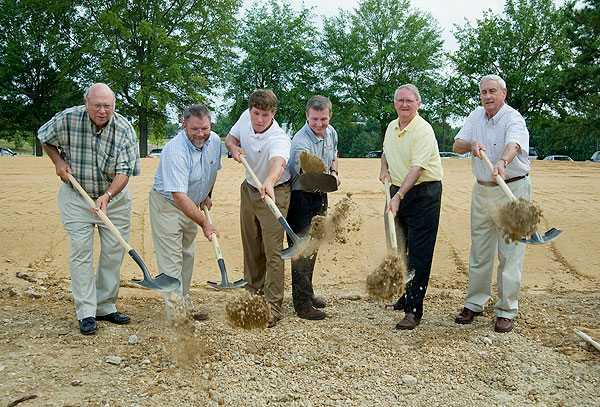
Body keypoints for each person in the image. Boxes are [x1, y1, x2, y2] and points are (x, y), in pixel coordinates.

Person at [37, 83, 140, 335]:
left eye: (108, 106)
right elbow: (43, 136)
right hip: (77, 197)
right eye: (97, 106)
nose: (103, 111)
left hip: (113, 199)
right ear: (86, 103)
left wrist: (107, 196)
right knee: (81, 251)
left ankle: (104, 305)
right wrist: (58, 161)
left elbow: (124, 171)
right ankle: (85, 311)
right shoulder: (68, 118)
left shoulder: (124, 128)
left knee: (113, 251)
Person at [452, 74, 531, 333]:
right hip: (482, 190)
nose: (487, 96)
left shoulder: (513, 118)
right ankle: (474, 303)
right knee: (480, 251)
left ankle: (506, 310)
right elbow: (456, 145)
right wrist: (471, 144)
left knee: (510, 253)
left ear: (503, 93)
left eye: (492, 92)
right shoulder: (475, 116)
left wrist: (502, 162)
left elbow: (514, 143)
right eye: (484, 92)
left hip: (512, 189)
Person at [379, 84, 443, 330]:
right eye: (400, 100)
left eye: (409, 101)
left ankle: (414, 311)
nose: (404, 105)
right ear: (395, 103)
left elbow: (417, 169)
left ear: (418, 103)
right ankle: (405, 297)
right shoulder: (392, 126)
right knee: (398, 247)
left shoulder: (423, 130)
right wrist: (384, 169)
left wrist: (398, 196)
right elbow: (386, 151)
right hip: (397, 190)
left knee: (418, 253)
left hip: (423, 193)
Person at [225, 89, 291, 328]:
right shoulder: (245, 117)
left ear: (273, 114)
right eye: (256, 113)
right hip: (249, 189)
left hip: (274, 191)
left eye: (265, 114)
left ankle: (273, 306)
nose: (259, 119)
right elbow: (230, 139)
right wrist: (234, 149)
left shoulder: (279, 138)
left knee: (272, 251)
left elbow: (278, 163)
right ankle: (253, 294)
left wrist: (270, 181)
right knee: (251, 245)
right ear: (250, 109)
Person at [149, 104, 221, 321]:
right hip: (168, 205)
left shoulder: (215, 141)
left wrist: (208, 194)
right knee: (172, 261)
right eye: (194, 129)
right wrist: (205, 224)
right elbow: (179, 196)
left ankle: (185, 302)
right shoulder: (175, 150)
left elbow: (212, 170)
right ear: (184, 126)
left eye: (205, 129)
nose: (201, 134)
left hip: (192, 204)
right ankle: (177, 316)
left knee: (187, 255)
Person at [286, 95, 340, 321]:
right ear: (307, 116)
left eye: (323, 119)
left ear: (329, 116)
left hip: (321, 196)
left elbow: (334, 156)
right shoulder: (300, 141)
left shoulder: (332, 133)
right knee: (301, 250)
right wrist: (328, 180)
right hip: (301, 198)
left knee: (314, 247)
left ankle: (308, 292)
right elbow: (308, 176)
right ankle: (302, 305)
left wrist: (334, 174)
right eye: (315, 119)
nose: (319, 124)